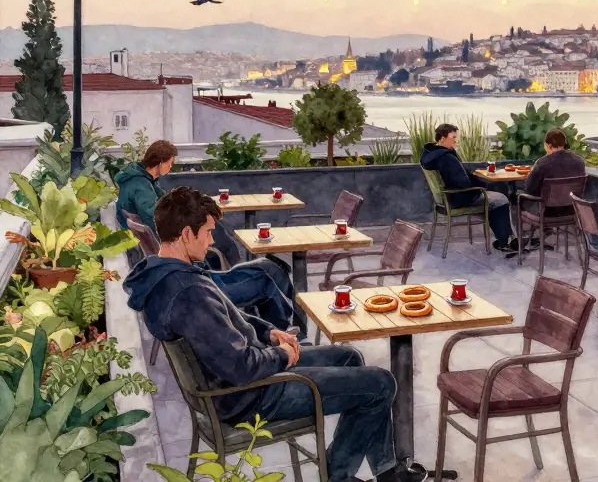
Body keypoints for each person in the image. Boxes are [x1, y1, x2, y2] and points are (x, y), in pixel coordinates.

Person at [123, 186, 426, 482]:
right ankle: (338, 475)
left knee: (349, 356)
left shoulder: (167, 275)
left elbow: (232, 318)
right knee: (380, 383)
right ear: (187, 234)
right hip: (252, 396)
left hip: (243, 384)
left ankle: (386, 470)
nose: (212, 240)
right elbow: (241, 367)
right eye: (208, 232)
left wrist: (270, 333)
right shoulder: (188, 293)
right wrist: (281, 355)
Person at [115, 140, 297, 331]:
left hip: (189, 270)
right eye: (170, 163)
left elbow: (168, 205)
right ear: (159, 162)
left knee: (266, 266)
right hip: (199, 278)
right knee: (268, 272)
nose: (171, 168)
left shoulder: (143, 181)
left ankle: (277, 325)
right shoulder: (141, 186)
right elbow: (160, 219)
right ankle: (286, 332)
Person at [420, 123, 515, 252]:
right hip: (460, 198)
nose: (456, 141)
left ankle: (507, 238)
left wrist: (483, 184)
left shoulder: (430, 154)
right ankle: (506, 241)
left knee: (495, 191)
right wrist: (482, 187)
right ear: (442, 138)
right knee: (501, 199)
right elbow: (463, 183)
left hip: (446, 198)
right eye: (453, 137)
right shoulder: (447, 157)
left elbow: (460, 177)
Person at [513, 128, 587, 257]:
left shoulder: (543, 163)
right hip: (571, 211)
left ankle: (520, 239)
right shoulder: (579, 162)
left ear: (548, 145)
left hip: (546, 213)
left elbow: (529, 188)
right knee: (541, 200)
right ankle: (543, 233)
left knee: (515, 197)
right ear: (563, 143)